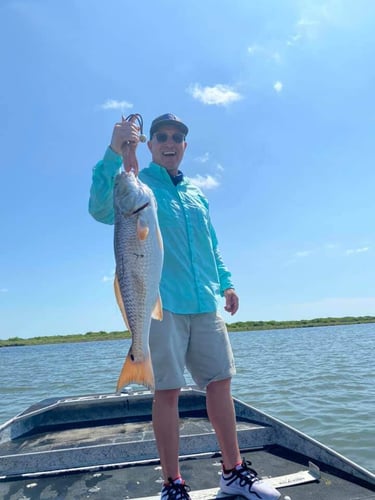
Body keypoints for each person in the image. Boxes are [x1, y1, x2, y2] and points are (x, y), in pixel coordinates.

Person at [89, 113, 280, 500]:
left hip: (204, 302)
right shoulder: (141, 187)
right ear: (150, 144)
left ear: (185, 146)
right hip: (163, 304)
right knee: (168, 390)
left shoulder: (197, 193)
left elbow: (212, 244)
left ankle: (233, 471)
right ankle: (172, 483)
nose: (169, 141)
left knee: (221, 383)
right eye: (161, 136)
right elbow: (100, 208)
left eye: (177, 136)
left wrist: (226, 282)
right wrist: (114, 150)